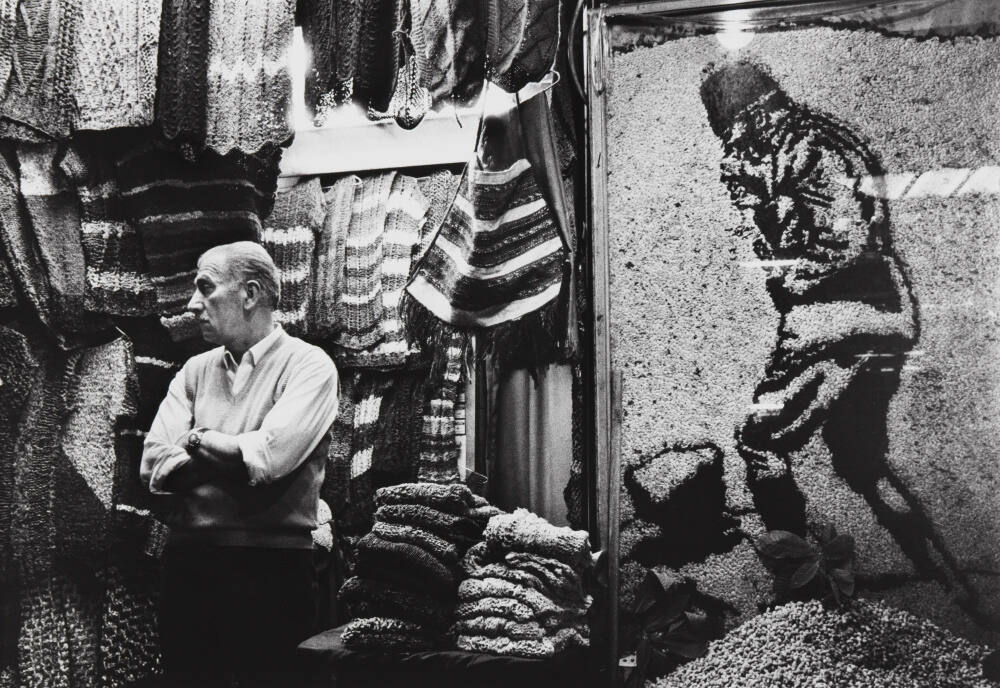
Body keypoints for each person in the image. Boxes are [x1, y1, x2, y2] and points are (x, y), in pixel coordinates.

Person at [140, 241, 339, 687]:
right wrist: (230, 453)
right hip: (188, 568)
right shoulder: (194, 370)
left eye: (205, 287)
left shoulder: (309, 366)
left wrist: (194, 440)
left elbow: (269, 458)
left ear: (249, 294)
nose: (193, 304)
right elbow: (152, 465)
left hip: (271, 572)